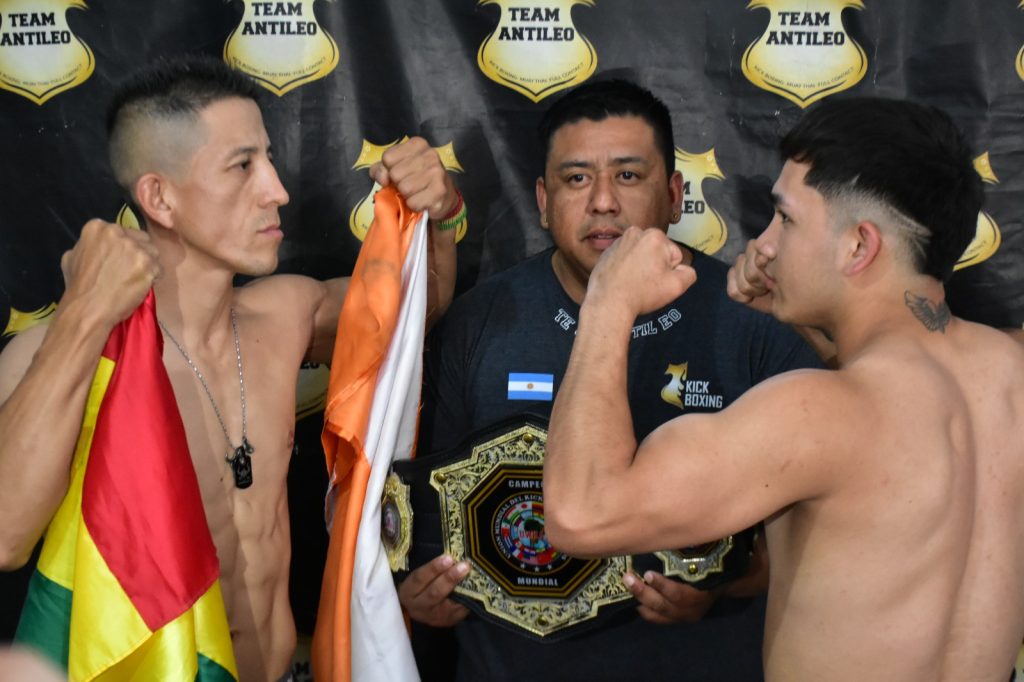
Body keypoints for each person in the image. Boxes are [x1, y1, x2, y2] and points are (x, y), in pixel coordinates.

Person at [0, 55, 459, 682]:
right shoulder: (68, 353)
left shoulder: (284, 315)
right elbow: (6, 537)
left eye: (268, 159)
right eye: (242, 166)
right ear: (159, 197)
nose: (277, 190)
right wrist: (82, 313)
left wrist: (442, 215)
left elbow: (416, 311)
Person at [544, 97, 1024, 680]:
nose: (765, 245)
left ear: (858, 246)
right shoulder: (1008, 370)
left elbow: (582, 514)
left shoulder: (813, 412)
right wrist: (807, 321)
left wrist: (608, 301)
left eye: (786, 219)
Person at [399, 78, 821, 680]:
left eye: (627, 175)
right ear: (543, 200)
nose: (602, 201)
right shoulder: (480, 321)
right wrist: (419, 592)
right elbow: (422, 511)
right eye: (576, 179)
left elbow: (821, 535)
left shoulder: (753, 324)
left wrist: (728, 582)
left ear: (673, 195)